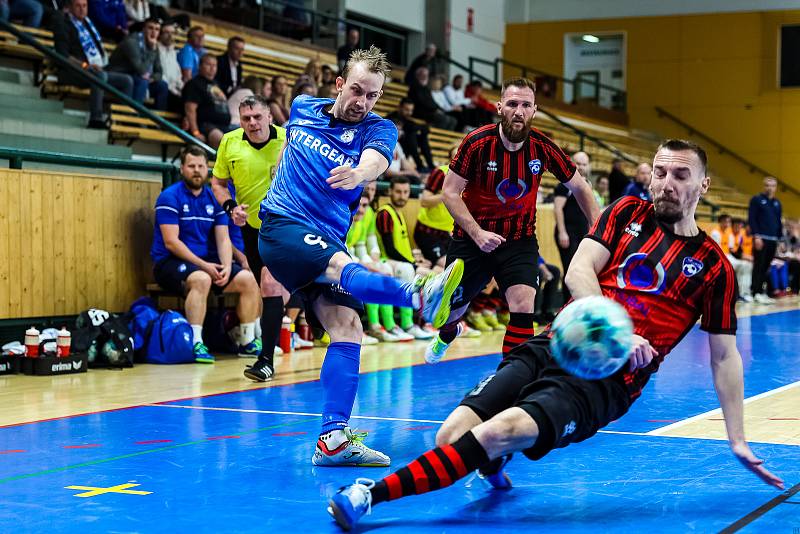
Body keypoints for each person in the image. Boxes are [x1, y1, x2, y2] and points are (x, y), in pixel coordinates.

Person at [327, 139, 784, 531]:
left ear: (703, 185)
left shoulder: (713, 266)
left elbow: (725, 358)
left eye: (681, 175)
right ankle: (494, 460)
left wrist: (737, 437)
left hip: (606, 382)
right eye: (661, 172)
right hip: (558, 340)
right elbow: (580, 270)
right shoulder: (626, 213)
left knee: (500, 429)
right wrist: (615, 327)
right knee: (451, 437)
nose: (667, 183)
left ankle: (369, 495)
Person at [258, 45, 464, 467]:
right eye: (356, 91)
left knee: (348, 326)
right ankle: (420, 297)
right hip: (283, 226)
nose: (362, 102)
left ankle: (332, 440)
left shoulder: (379, 128)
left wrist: (359, 172)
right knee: (343, 267)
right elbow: (286, 148)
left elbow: (376, 161)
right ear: (339, 84)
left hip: (325, 237)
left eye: (372, 95)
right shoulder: (303, 107)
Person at [425, 77, 600, 364]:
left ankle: (510, 377)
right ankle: (448, 332)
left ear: (534, 110)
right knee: (453, 312)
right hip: (472, 240)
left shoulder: (543, 147)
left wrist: (599, 233)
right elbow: (449, 192)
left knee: (523, 304)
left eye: (526, 105)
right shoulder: (476, 142)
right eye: (512, 104)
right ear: (499, 108)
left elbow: (580, 187)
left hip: (519, 240)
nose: (519, 111)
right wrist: (477, 232)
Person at [150, 145, 262, 363]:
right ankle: (196, 342)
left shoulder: (213, 199)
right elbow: (171, 243)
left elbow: (223, 237)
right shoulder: (169, 197)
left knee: (248, 279)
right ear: (182, 168)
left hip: (204, 263)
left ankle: (246, 341)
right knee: (201, 279)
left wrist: (227, 266)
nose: (197, 170)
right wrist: (205, 266)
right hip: (169, 263)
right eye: (191, 166)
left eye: (201, 166)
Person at [211, 94, 287, 380]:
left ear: (269, 116)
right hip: (251, 227)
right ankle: (312, 314)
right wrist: (231, 207)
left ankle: (265, 360)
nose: (252, 123)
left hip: (287, 224)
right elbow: (217, 182)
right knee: (274, 288)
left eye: (257, 117)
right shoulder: (230, 143)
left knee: (270, 285)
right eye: (246, 118)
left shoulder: (289, 139)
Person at [52, 0, 134, 129]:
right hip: (72, 71)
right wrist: (86, 66)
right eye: (78, 6)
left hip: (95, 70)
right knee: (99, 77)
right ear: (70, 7)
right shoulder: (63, 24)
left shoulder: (89, 23)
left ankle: (122, 120)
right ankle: (96, 119)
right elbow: (63, 56)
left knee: (127, 80)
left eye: (84, 6)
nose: (82, 9)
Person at [375, 176, 433, 340]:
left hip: (399, 261)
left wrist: (417, 260)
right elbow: (390, 249)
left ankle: (425, 323)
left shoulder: (398, 214)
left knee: (431, 273)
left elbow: (402, 247)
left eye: (406, 192)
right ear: (390, 191)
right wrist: (413, 265)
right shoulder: (385, 214)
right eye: (398, 192)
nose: (402, 196)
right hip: (386, 260)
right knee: (410, 271)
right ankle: (406, 324)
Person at [553, 150, 592, 302]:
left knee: (581, 270)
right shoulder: (564, 184)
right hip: (567, 233)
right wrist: (562, 232)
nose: (581, 167)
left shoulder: (587, 184)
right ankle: (566, 307)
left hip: (582, 233)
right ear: (572, 163)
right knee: (570, 270)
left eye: (584, 164)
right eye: (578, 163)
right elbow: (558, 209)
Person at [107, 16, 168, 110]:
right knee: (142, 81)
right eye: (150, 28)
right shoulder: (131, 42)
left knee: (162, 85)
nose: (154, 32)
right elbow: (141, 70)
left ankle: (158, 123)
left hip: (137, 77)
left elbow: (159, 72)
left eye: (157, 29)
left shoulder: (154, 45)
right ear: (143, 29)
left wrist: (152, 78)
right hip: (120, 75)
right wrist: (152, 50)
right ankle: (134, 117)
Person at [414, 146, 456, 268]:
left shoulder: (468, 178)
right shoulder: (441, 173)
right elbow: (424, 201)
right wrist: (446, 195)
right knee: (446, 267)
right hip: (428, 231)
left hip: (448, 233)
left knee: (463, 267)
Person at [182, 54, 232, 149]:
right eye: (208, 64)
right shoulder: (194, 84)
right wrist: (195, 132)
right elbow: (190, 109)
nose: (212, 68)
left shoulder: (216, 84)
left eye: (215, 65)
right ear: (200, 66)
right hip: (206, 125)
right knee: (221, 140)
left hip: (225, 126)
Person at [749, 176, 782, 304]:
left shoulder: (777, 203)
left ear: (776, 188)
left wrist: (779, 239)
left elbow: (778, 221)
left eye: (773, 186)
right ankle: (755, 292)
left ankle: (761, 291)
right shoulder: (757, 200)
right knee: (759, 265)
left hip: (773, 239)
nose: (770, 188)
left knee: (766, 267)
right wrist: (756, 235)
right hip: (761, 238)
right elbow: (752, 218)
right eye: (767, 185)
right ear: (764, 186)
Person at [711, 214, 753, 302]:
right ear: (720, 222)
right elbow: (716, 251)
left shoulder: (729, 234)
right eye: (725, 222)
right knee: (739, 265)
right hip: (720, 257)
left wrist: (742, 258)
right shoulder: (715, 233)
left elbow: (731, 250)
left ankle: (744, 292)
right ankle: (735, 293)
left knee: (747, 265)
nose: (727, 224)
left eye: (728, 222)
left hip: (728, 256)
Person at [387, 98, 435, 171]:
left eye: (411, 110)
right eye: (406, 109)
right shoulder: (390, 118)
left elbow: (419, 128)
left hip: (405, 150)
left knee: (422, 136)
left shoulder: (408, 121)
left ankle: (431, 165)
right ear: (399, 107)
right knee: (411, 135)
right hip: (393, 147)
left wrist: (422, 129)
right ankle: (420, 165)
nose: (409, 113)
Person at [408, 66, 457, 131]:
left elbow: (432, 101)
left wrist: (439, 109)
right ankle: (438, 138)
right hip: (419, 112)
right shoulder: (415, 87)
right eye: (422, 75)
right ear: (417, 76)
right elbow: (423, 102)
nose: (425, 77)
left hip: (429, 112)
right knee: (443, 119)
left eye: (426, 75)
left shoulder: (426, 88)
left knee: (453, 120)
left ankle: (447, 140)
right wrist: (435, 109)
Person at [156, 21, 184, 112]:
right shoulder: (155, 49)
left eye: (172, 33)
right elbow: (160, 74)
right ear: (160, 34)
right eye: (166, 32)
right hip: (165, 88)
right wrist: (175, 91)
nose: (170, 36)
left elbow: (178, 77)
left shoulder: (173, 52)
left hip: (174, 90)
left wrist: (184, 90)